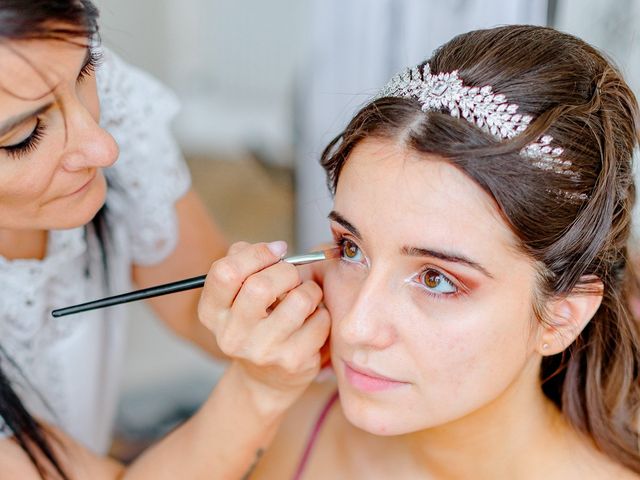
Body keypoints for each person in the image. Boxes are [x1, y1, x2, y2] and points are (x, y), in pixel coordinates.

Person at [198, 25, 640, 478]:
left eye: (436, 279)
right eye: (351, 249)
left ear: (561, 315)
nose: (355, 326)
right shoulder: (295, 420)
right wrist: (255, 389)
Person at [0, 1, 331, 479]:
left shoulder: (77, 92)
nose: (103, 148)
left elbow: (191, 302)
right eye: (24, 137)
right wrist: (260, 389)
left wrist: (281, 302)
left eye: (86, 69)